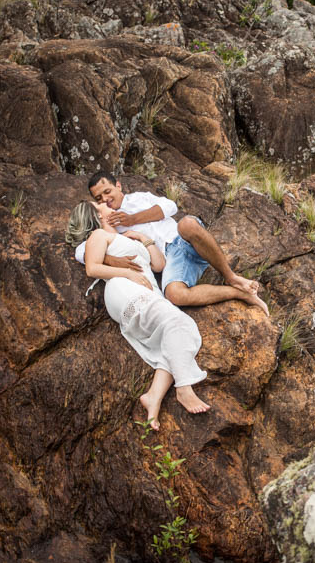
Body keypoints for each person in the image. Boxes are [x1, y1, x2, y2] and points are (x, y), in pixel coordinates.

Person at [66, 200, 210, 430]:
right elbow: (92, 268)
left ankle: (153, 396)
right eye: (99, 204)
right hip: (124, 289)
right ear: (96, 215)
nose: (105, 203)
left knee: (179, 332)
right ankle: (184, 388)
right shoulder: (98, 236)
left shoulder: (128, 236)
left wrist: (144, 239)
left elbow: (159, 264)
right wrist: (128, 274)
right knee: (178, 322)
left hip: (149, 293)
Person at [88, 171, 269, 315]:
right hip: (172, 258)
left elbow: (170, 207)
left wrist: (132, 219)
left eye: (107, 191)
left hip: (184, 238)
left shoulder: (139, 198)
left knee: (187, 224)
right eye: (98, 198)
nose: (105, 199)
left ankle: (231, 277)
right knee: (174, 294)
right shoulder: (107, 225)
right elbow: (87, 251)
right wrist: (111, 259)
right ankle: (239, 293)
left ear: (118, 186)